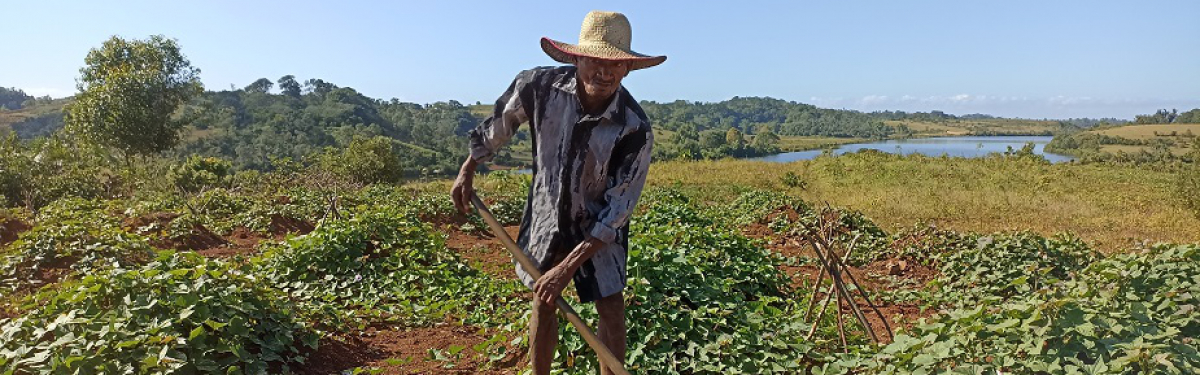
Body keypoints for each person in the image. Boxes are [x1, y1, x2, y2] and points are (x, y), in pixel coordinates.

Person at [450, 10, 664, 375]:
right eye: (596, 59)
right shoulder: (538, 87)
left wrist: (567, 268)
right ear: (576, 57)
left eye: (616, 64)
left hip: (599, 228)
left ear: (627, 69)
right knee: (544, 301)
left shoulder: (634, 127)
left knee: (610, 306)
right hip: (547, 215)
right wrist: (467, 169)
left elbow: (618, 209)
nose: (605, 71)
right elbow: (500, 125)